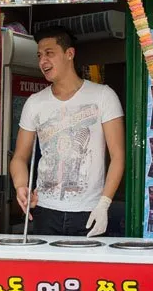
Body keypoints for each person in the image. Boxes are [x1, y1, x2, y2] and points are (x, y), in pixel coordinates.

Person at [10, 26, 124, 236]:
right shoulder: (35, 103)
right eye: (39, 55)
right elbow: (19, 157)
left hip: (89, 210)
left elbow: (117, 156)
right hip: (45, 210)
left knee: (88, 270)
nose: (42, 61)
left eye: (49, 53)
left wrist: (104, 204)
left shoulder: (103, 96)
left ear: (69, 54)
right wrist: (20, 186)